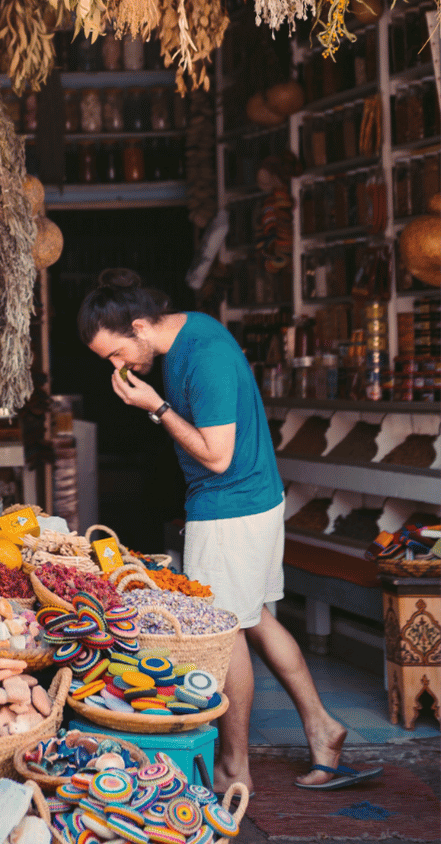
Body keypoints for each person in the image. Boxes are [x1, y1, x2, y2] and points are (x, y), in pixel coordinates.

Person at [76, 268, 381, 794]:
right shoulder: (190, 334)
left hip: (230, 507)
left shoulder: (204, 357)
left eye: (116, 354)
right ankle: (323, 727)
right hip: (253, 499)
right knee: (256, 618)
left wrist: (156, 407)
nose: (118, 367)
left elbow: (217, 457)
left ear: (142, 326)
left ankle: (234, 767)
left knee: (223, 631)